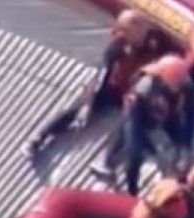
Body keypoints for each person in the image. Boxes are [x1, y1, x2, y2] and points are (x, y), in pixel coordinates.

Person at [23, 10, 181, 158]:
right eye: (122, 31)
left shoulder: (158, 43)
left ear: (142, 28)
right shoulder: (119, 43)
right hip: (113, 87)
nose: (124, 36)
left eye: (128, 32)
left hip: (136, 91)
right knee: (78, 107)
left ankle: (107, 159)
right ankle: (39, 137)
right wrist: (89, 103)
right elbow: (103, 72)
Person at [97, 54, 194, 196]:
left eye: (179, 82)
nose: (177, 85)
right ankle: (131, 190)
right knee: (135, 153)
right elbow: (133, 116)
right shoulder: (145, 85)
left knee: (182, 145)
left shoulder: (186, 84)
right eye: (175, 82)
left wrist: (186, 145)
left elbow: (191, 113)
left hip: (167, 111)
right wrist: (144, 138)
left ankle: (179, 180)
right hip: (139, 114)